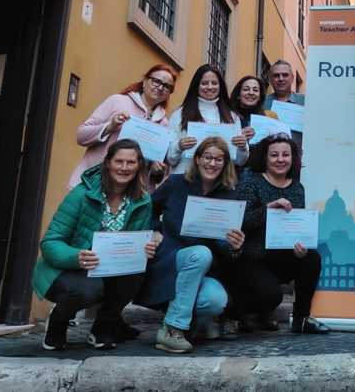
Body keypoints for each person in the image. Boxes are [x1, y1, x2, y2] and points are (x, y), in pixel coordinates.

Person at [32, 138, 157, 351]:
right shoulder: (81, 194)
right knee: (89, 289)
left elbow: (136, 242)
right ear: (107, 162)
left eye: (131, 162)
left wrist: (144, 249)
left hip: (110, 268)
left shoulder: (143, 200)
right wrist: (77, 257)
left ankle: (102, 328)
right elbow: (50, 242)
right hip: (67, 268)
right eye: (119, 161)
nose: (124, 168)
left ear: (139, 166)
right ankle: (58, 322)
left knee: (139, 268)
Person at [136, 136, 245, 353]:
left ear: (225, 163)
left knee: (216, 300)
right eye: (207, 157)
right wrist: (155, 229)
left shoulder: (230, 195)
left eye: (219, 159)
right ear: (197, 159)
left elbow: (224, 244)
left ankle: (188, 323)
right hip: (170, 257)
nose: (212, 163)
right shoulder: (175, 183)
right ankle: (173, 329)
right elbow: (148, 208)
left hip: (203, 268)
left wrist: (235, 245)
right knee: (201, 253)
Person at [226, 134, 330, 335]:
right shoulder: (252, 182)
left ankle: (301, 319)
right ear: (265, 158)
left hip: (278, 258)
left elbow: (295, 226)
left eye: (285, 155)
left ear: (293, 158)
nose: (280, 159)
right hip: (249, 260)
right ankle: (228, 312)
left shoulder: (297, 188)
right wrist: (268, 209)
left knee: (311, 257)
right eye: (274, 155)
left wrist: (299, 247)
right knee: (272, 296)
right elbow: (240, 224)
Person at [70, 65, 176, 188]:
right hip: (95, 183)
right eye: (156, 81)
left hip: (133, 192)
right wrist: (110, 126)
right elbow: (81, 136)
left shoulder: (164, 125)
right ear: (145, 81)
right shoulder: (117, 101)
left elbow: (160, 170)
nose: (160, 88)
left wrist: (158, 171)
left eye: (166, 86)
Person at [166, 64, 248, 174]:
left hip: (219, 180)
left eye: (214, 83)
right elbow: (169, 158)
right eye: (204, 83)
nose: (210, 87)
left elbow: (239, 161)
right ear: (196, 85)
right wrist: (179, 146)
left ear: (220, 86)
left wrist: (243, 147)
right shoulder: (180, 114)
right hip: (184, 177)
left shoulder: (231, 116)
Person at [264, 60, 305, 146]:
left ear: (292, 78)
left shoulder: (305, 102)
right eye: (276, 75)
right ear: (270, 80)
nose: (281, 79)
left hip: (300, 153)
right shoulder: (262, 103)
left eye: (285, 75)